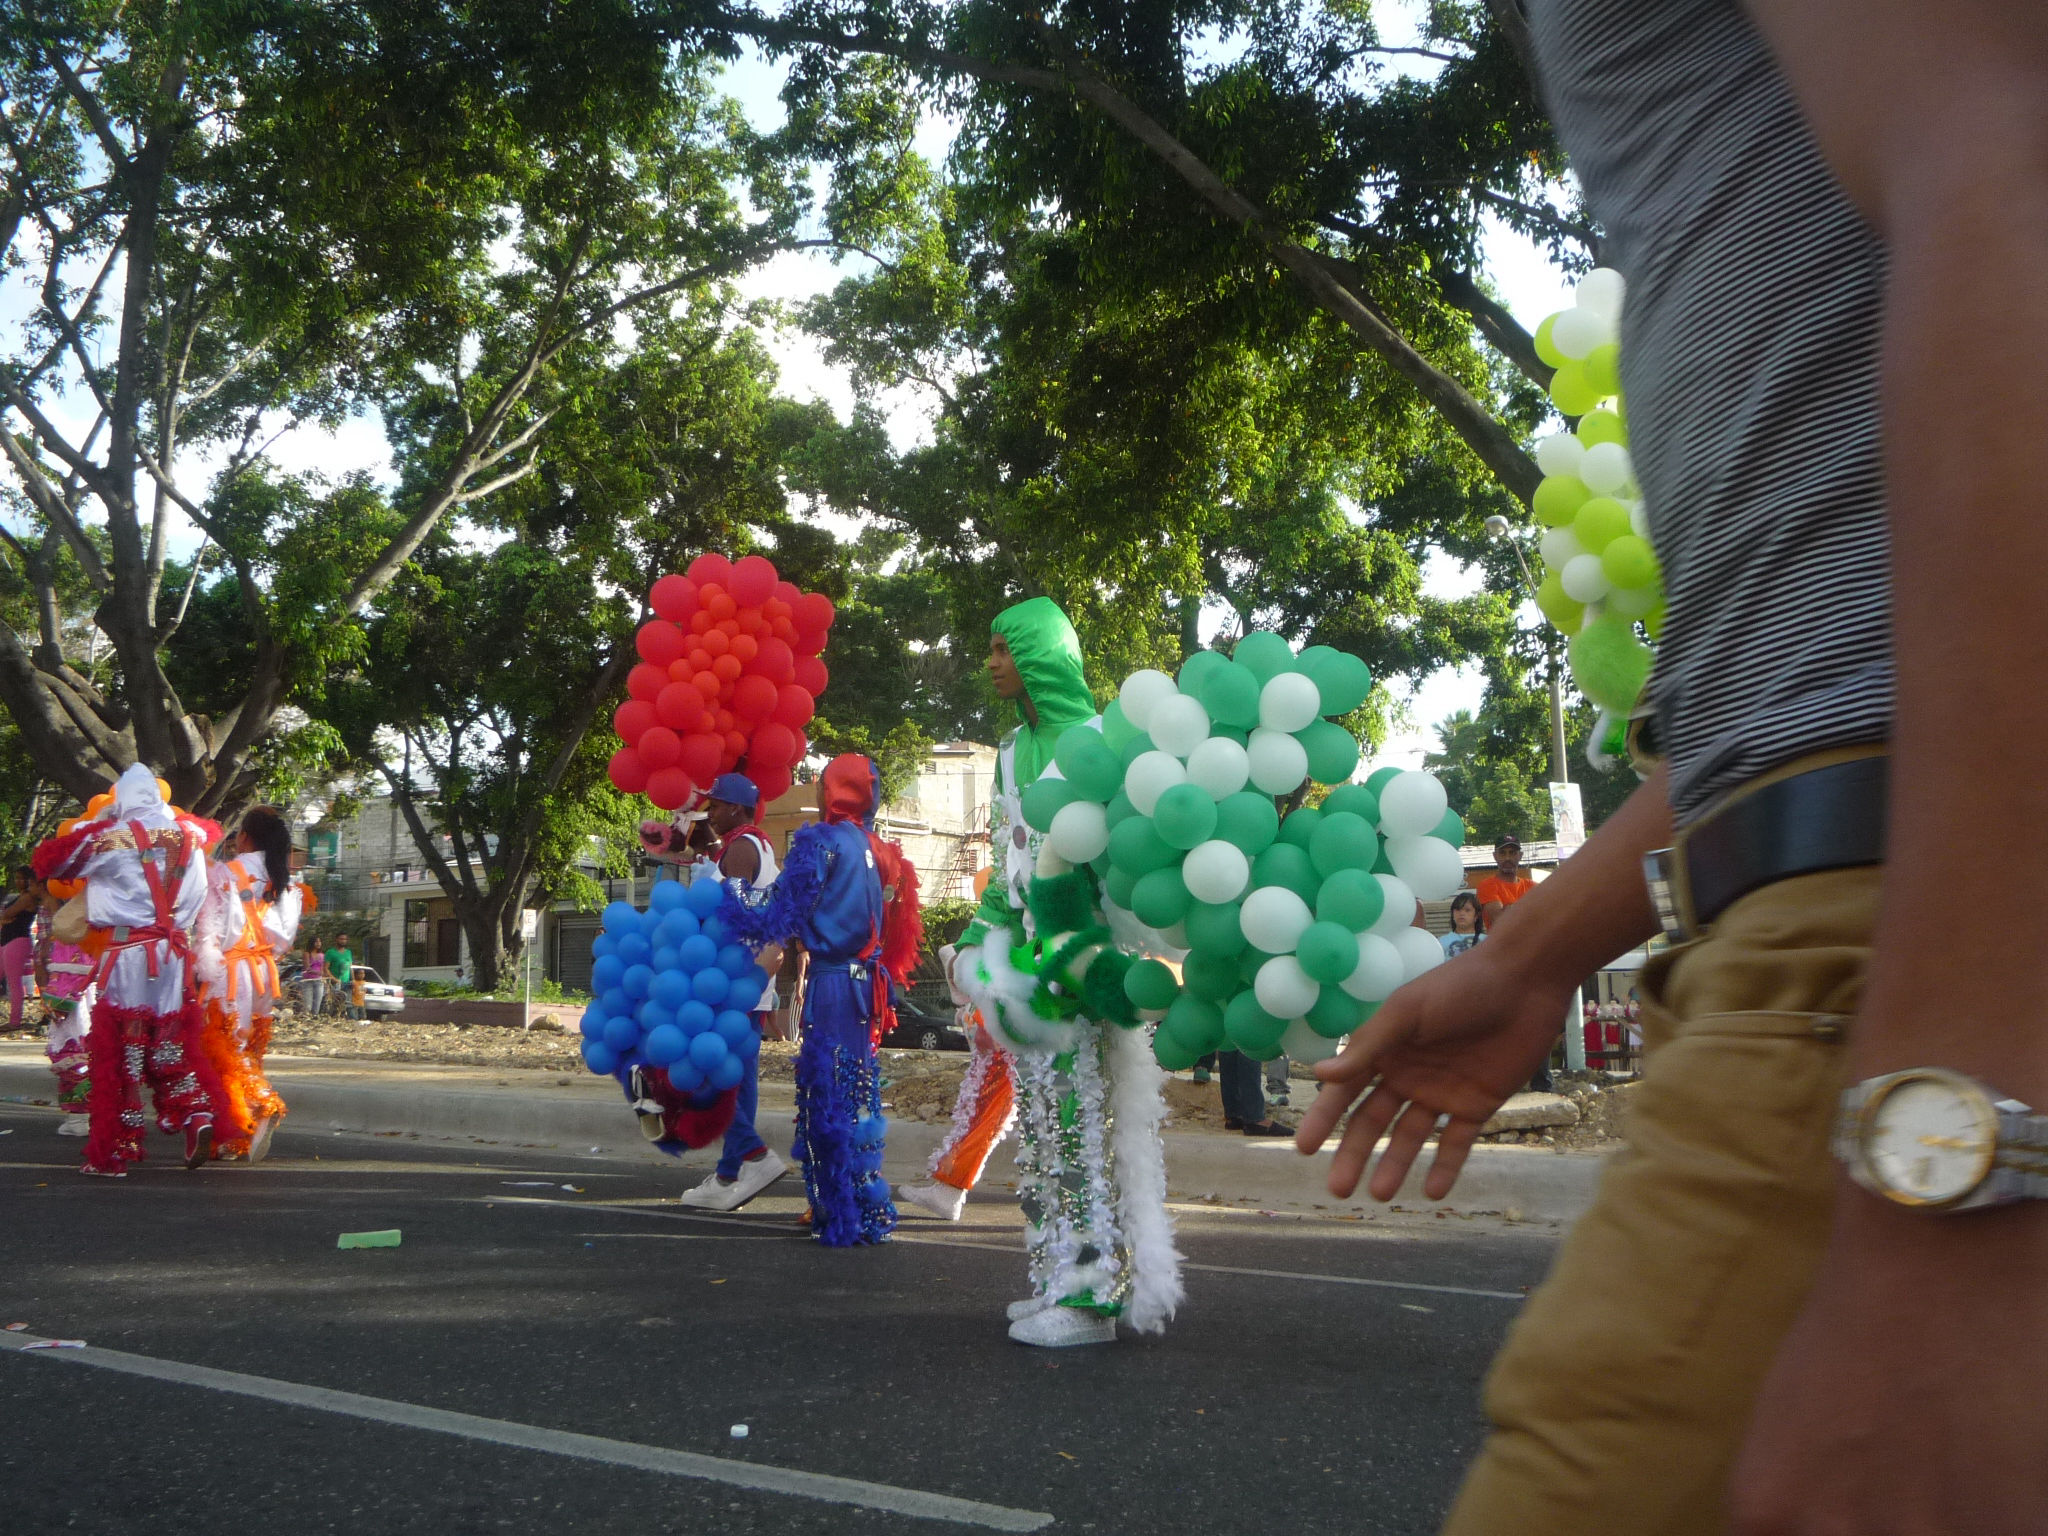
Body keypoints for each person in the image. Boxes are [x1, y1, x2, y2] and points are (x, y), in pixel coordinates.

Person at [1299, 2, 2048, 1530]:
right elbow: (1825, 664)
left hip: (1891, 958)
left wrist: (1962, 1176)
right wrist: (1529, 959)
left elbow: (2009, 147)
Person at [949, 596, 1182, 1348]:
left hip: (1081, 963)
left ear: (1038, 654)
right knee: (1046, 1132)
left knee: (1083, 1127)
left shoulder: (1099, 740)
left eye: (1002, 648)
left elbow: (1125, 860)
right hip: (1026, 967)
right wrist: (975, 941)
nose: (990, 664)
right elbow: (1004, 855)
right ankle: (1059, 1276)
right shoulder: (1012, 750)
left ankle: (1092, 1299)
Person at [723, 755, 910, 1247]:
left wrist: (730, 889)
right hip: (864, 984)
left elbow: (773, 916)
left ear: (833, 791)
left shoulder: (819, 843)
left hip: (831, 984)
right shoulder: (868, 846)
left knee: (826, 1096)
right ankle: (862, 1209)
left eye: (820, 780)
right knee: (857, 1095)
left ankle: (836, 1214)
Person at [34, 766, 225, 1176]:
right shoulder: (192, 838)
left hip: (129, 950)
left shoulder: (111, 839)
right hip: (174, 952)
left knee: (119, 1048)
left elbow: (52, 863)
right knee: (171, 1040)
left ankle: (115, 1152)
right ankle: (195, 1115)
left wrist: (94, 825)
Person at [672, 773, 791, 1211]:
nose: (711, 813)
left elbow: (730, 912)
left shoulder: (741, 849)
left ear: (737, 809)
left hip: (733, 981)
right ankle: (728, 1174)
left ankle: (755, 1156)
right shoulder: (756, 845)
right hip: (750, 983)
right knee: (738, 1081)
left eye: (718, 807)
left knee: (707, 1075)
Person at [193, 806, 306, 1162]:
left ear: (244, 836)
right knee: (251, 1050)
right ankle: (235, 1136)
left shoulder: (225, 873)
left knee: (224, 1049)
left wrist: (203, 968)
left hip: (231, 972)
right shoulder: (283, 879)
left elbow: (211, 929)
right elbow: (284, 937)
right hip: (264, 973)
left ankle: (262, 1103)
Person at [898, 942, 1015, 1221]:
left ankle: (950, 1190)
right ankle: (949, 1189)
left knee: (985, 1113)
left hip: (1012, 1030)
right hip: (1010, 1027)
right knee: (982, 1112)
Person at [34, 880, 96, 1134]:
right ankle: (88, 1117)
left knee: (74, 1054)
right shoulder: (100, 915)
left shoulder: (69, 921)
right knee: (89, 1054)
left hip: (73, 995)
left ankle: (79, 1119)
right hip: (92, 992)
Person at [1, 867, 39, 1032]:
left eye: (22, 878)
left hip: (17, 941)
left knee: (14, 983)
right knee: (11, 981)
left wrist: (5, 917)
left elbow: (8, 913)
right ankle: (13, 1020)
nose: (18, 882)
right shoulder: (21, 897)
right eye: (16, 878)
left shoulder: (28, 898)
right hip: (7, 941)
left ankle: (15, 1021)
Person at [1473, 835, 1533, 928]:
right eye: (1502, 853)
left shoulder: (1532, 886)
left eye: (1512, 853)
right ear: (1495, 856)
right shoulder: (1487, 885)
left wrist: (1510, 908)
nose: (1507, 858)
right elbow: (1500, 920)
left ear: (1520, 855)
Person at [1440, 892, 1484, 959]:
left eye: (1467, 910)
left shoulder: (1487, 941)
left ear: (1476, 916)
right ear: (1452, 914)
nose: (1462, 913)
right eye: (1458, 909)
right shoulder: (1441, 942)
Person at [325, 934, 356, 1019]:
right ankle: (333, 1019)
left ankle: (350, 1020)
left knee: (348, 1003)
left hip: (347, 982)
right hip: (335, 983)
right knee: (335, 1003)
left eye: (345, 939)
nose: (343, 941)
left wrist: (353, 979)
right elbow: (326, 968)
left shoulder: (348, 952)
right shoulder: (330, 952)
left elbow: (350, 967)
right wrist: (334, 979)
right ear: (336, 940)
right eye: (341, 939)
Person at [300, 943, 328, 1018]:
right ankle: (307, 1019)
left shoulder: (322, 955)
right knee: (308, 1005)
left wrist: (322, 975)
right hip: (308, 981)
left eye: (319, 942)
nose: (318, 943)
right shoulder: (307, 954)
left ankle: (314, 1018)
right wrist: (319, 973)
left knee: (317, 1004)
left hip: (318, 981)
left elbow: (322, 968)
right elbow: (307, 968)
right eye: (316, 942)